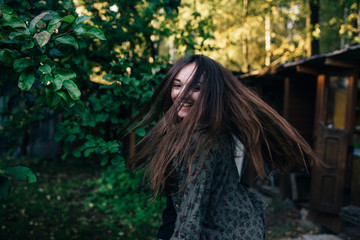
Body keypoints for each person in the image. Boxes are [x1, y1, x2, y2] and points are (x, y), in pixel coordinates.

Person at [124, 55, 320, 240]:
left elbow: (191, 215)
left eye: (196, 87)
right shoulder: (201, 130)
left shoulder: (200, 141)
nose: (183, 94)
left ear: (211, 93)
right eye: (177, 85)